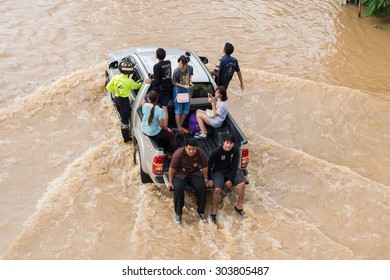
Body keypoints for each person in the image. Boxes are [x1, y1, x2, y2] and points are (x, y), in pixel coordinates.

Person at [207, 134, 246, 223]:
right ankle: (213, 212)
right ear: (223, 142)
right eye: (227, 143)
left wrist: (230, 180)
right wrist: (209, 178)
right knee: (217, 189)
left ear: (233, 144)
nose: (229, 145)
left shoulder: (235, 151)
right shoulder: (217, 151)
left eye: (231, 143)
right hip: (218, 171)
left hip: (230, 171)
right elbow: (209, 165)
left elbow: (235, 166)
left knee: (242, 184)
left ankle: (239, 207)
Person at [167, 138, 208, 224]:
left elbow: (205, 166)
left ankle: (201, 211)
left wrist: (205, 179)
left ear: (196, 148)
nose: (191, 151)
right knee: (178, 189)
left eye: (193, 149)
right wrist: (170, 182)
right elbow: (172, 168)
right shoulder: (178, 153)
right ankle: (178, 213)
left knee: (201, 187)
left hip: (194, 173)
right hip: (180, 173)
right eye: (189, 149)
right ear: (185, 147)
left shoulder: (200, 153)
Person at [106, 58, 142, 143]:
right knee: (125, 121)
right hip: (124, 101)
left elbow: (108, 88)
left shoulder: (115, 77)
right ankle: (126, 139)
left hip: (117, 99)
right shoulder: (129, 81)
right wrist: (141, 82)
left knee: (123, 117)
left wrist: (115, 90)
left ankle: (125, 134)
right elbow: (137, 86)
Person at [141, 90, 178, 156]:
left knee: (163, 134)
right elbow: (162, 125)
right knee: (171, 136)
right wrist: (167, 129)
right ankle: (172, 153)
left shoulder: (145, 106)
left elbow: (142, 101)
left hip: (144, 129)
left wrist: (146, 95)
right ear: (157, 99)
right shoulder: (160, 110)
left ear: (148, 98)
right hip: (153, 133)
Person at [145, 48, 173, 127]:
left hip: (160, 91)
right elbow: (164, 74)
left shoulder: (156, 66)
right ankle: (165, 127)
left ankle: (151, 124)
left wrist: (150, 81)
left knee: (149, 104)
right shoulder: (168, 63)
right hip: (167, 89)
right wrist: (154, 76)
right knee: (165, 109)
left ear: (156, 56)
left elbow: (156, 82)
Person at [172, 54, 193, 133]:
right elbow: (174, 82)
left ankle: (179, 126)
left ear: (186, 64)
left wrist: (190, 82)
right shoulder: (176, 71)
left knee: (186, 110)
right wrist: (184, 86)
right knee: (178, 110)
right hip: (178, 90)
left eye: (183, 64)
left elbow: (190, 76)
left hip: (186, 90)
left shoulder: (190, 68)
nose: (181, 66)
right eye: (180, 63)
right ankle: (179, 127)